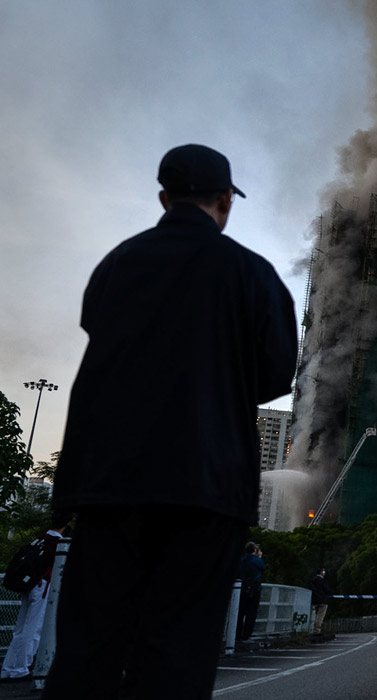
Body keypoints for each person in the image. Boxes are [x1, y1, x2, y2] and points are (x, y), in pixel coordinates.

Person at [45, 144, 298, 699]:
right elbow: (277, 376)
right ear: (226, 200)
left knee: (88, 647)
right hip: (205, 490)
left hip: (108, 486)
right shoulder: (252, 274)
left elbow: (101, 338)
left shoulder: (117, 264)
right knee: (180, 653)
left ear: (164, 196)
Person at [1, 513, 71, 682]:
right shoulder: (57, 544)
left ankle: (8, 668)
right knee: (33, 628)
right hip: (42, 589)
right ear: (67, 525)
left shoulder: (39, 541)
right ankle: (21, 668)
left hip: (29, 586)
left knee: (20, 628)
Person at [237, 542, 266, 641]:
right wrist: (260, 556)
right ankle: (246, 635)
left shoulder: (242, 559)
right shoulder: (257, 561)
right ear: (255, 551)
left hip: (240, 588)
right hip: (254, 589)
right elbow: (263, 568)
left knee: (240, 613)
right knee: (251, 613)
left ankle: (236, 635)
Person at [310, 568, 333, 634]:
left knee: (313, 614)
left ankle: (311, 628)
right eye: (323, 571)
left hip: (314, 600)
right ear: (320, 572)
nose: (324, 572)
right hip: (322, 600)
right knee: (320, 615)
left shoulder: (313, 580)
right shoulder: (323, 580)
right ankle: (317, 629)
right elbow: (327, 590)